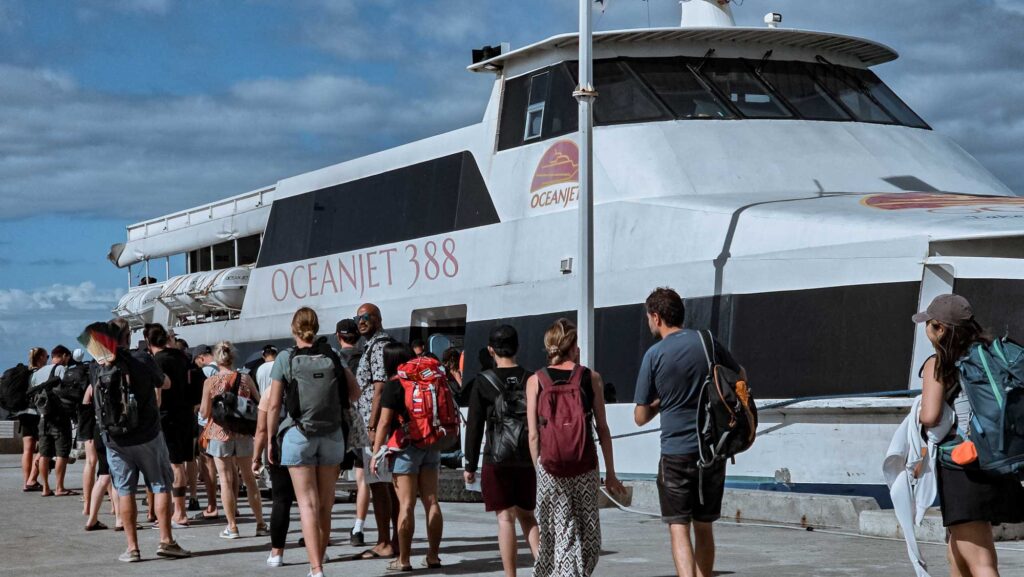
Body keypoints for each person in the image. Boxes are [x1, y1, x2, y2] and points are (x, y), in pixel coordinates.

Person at [633, 287, 745, 577]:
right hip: (711, 450)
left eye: (649, 317)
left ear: (656, 317)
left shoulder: (654, 355)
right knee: (704, 527)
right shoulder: (707, 341)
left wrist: (661, 403)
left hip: (675, 454)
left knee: (679, 527)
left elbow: (640, 416)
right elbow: (739, 375)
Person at [915, 294, 1024, 577]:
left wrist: (914, 416)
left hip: (962, 469)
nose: (926, 330)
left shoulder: (937, 364)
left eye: (928, 324)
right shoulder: (990, 353)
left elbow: (929, 416)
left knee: (981, 563)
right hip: (992, 458)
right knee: (957, 551)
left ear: (939, 328)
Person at [526, 318, 625, 577]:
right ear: (573, 346)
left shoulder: (536, 381)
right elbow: (602, 428)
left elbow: (534, 435)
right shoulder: (591, 377)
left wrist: (539, 472)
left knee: (558, 536)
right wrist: (611, 473)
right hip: (585, 465)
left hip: (550, 468)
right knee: (589, 539)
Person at [266, 307, 360, 577]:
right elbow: (355, 393)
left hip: (299, 435)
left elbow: (273, 406)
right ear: (317, 328)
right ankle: (320, 553)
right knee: (324, 504)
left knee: (306, 504)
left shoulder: (286, 357)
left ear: (294, 329)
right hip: (332, 436)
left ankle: (316, 569)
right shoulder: (333, 354)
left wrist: (271, 439)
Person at [97, 318, 190, 562]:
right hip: (147, 433)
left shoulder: (97, 365)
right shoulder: (142, 358)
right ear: (128, 337)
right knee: (160, 485)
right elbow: (165, 383)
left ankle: (132, 548)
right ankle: (166, 541)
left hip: (114, 437)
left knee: (125, 490)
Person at [464, 325, 539, 577]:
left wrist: (470, 465)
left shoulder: (482, 381)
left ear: (491, 350)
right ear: (518, 347)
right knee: (528, 517)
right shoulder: (532, 378)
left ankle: (511, 576)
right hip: (528, 458)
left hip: (496, 459)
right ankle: (546, 569)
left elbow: (474, 426)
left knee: (505, 519)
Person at [370, 342, 444, 572]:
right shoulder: (426, 378)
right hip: (431, 443)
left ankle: (403, 560)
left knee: (407, 504)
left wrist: (375, 453)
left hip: (405, 448)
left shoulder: (394, 385)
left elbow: (383, 422)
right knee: (431, 500)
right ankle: (433, 556)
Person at [200, 340, 267, 539]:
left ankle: (232, 526)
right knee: (249, 478)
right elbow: (259, 401)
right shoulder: (245, 378)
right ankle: (260, 523)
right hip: (243, 432)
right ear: (232, 357)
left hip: (219, 434)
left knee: (226, 480)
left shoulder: (209, 382)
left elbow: (204, 413)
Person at [353, 302, 399, 560]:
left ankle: (386, 542)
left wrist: (372, 427)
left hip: (379, 426)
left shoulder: (379, 346)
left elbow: (379, 389)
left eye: (366, 317)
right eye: (357, 317)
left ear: (378, 318)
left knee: (380, 485)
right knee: (385, 485)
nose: (361, 321)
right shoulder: (374, 345)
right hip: (380, 424)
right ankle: (393, 539)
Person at [149, 324, 196, 527]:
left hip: (168, 416)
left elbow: (158, 391)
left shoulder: (157, 361)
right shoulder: (183, 357)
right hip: (186, 414)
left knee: (174, 465)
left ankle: (180, 512)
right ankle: (180, 509)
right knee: (184, 462)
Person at [336, 317, 371, 547]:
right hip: (361, 423)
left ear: (338, 336)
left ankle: (322, 531)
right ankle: (358, 528)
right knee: (362, 478)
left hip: (338, 424)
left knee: (327, 480)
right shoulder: (365, 357)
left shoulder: (332, 359)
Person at [35, 345, 75, 497]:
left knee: (44, 454)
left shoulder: (38, 372)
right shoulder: (61, 370)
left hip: (43, 418)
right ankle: (59, 487)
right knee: (61, 454)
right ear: (64, 355)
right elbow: (66, 392)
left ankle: (45, 487)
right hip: (59, 417)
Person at [192, 344, 220, 519]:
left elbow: (204, 405)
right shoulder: (225, 368)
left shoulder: (205, 373)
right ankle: (232, 506)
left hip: (207, 424)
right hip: (226, 423)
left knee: (208, 465)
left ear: (201, 358)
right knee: (229, 467)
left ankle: (212, 506)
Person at [17, 347, 47, 492]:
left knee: (27, 449)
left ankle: (26, 482)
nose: (47, 360)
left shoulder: (24, 373)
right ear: (40, 357)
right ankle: (32, 479)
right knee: (43, 446)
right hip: (36, 413)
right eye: (46, 357)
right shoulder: (40, 373)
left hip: (22, 412)